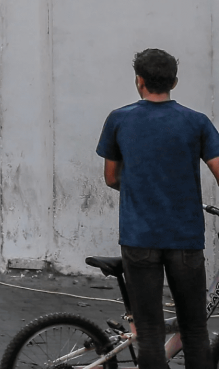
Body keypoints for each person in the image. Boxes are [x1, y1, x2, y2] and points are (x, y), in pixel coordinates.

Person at [96, 48, 219, 369]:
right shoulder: (197, 123)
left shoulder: (119, 119)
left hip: (139, 239)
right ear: (174, 82)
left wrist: (141, 186)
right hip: (186, 240)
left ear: (139, 81)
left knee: (149, 330)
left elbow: (110, 178)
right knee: (194, 329)